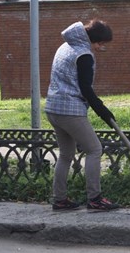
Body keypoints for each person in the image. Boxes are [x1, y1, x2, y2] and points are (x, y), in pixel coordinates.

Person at [45, 19, 119, 212]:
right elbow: (86, 89)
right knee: (94, 149)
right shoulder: (84, 54)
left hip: (53, 107)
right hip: (70, 109)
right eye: (101, 43)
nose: (101, 47)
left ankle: (59, 199)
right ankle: (95, 198)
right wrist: (104, 112)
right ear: (94, 39)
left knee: (66, 154)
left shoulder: (65, 46)